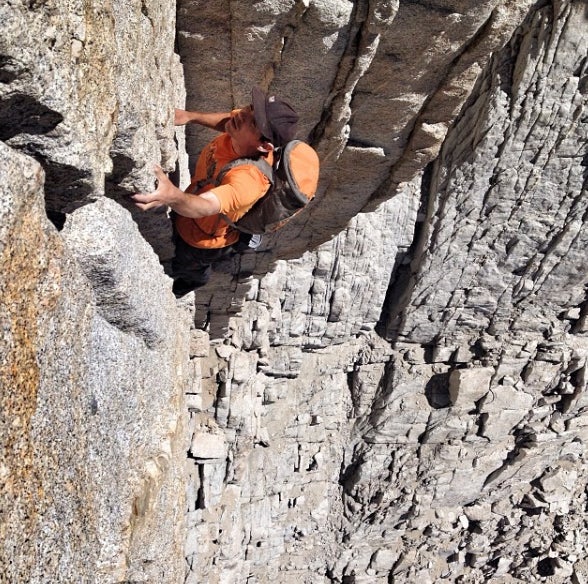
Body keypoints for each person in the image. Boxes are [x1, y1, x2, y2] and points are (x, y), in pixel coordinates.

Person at [132, 86, 299, 297]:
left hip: (201, 240)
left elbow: (206, 206)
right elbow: (228, 121)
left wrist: (171, 196)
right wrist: (190, 117)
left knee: (190, 268)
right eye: (250, 108)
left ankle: (189, 284)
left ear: (264, 147)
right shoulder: (240, 128)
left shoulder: (248, 180)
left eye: (254, 121)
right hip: (190, 207)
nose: (240, 114)